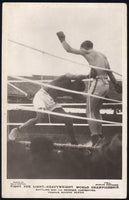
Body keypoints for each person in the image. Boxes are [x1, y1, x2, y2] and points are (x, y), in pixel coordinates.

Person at [57, 31, 122, 146]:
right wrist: (116, 84)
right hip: (106, 84)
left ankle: (95, 137)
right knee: (96, 110)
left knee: (89, 110)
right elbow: (110, 72)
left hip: (97, 83)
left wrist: (62, 39)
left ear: (85, 47)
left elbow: (69, 49)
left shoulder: (86, 51)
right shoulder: (102, 55)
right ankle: (100, 135)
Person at [9, 73, 87, 144]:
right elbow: (75, 76)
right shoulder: (65, 79)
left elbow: (84, 98)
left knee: (68, 119)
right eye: (76, 88)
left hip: (51, 101)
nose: (74, 90)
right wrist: (87, 75)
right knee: (40, 117)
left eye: (76, 90)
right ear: (75, 82)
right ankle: (17, 130)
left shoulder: (71, 92)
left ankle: (74, 143)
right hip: (42, 96)